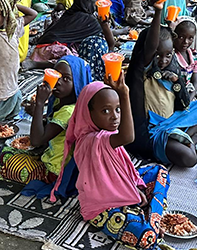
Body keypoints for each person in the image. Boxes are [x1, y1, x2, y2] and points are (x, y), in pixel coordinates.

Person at [50, 79, 170, 249]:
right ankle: (151, 220)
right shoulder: (92, 139)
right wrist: (124, 93)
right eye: (105, 111)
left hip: (118, 187)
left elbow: (121, 171)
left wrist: (133, 187)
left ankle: (148, 215)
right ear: (88, 113)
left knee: (159, 171)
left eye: (118, 109)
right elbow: (128, 137)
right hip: (104, 207)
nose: (115, 116)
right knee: (146, 236)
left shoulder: (105, 134)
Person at [123, 0, 197, 167]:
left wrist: (177, 82)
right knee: (189, 159)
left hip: (174, 120)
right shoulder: (140, 71)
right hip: (153, 132)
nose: (163, 60)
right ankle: (187, 136)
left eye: (168, 55)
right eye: (157, 55)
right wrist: (158, 11)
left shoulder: (170, 67)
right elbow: (151, 46)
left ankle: (190, 132)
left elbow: (182, 102)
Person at [0, 55, 91, 184]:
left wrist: (40, 105)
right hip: (50, 155)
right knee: (6, 150)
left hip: (55, 171)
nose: (58, 82)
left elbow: (36, 140)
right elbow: (48, 125)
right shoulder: (60, 100)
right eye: (56, 76)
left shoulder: (69, 111)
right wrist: (37, 113)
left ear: (78, 83)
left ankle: (45, 178)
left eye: (66, 79)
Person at [27, 0, 115, 80]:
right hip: (53, 50)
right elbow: (109, 39)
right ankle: (37, 64)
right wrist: (109, 25)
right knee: (75, 61)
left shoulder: (70, 12)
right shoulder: (88, 20)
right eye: (93, 3)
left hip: (40, 49)